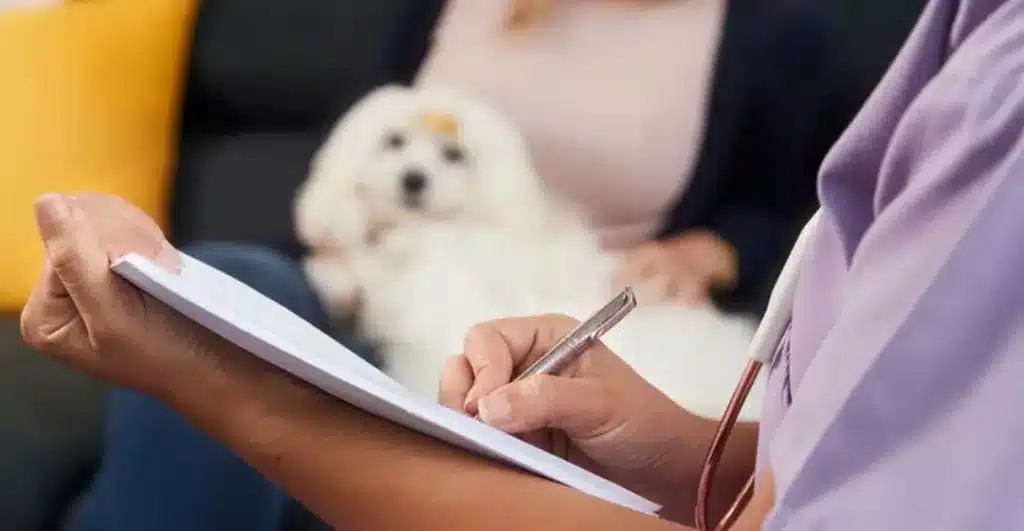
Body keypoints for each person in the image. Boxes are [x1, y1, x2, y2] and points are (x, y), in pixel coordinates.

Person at [25, 0, 1024, 528]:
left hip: (577, 284)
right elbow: (362, 135)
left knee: (216, 370)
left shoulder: (776, 32)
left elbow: (792, 208)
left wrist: (709, 250)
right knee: (229, 283)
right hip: (383, 277)